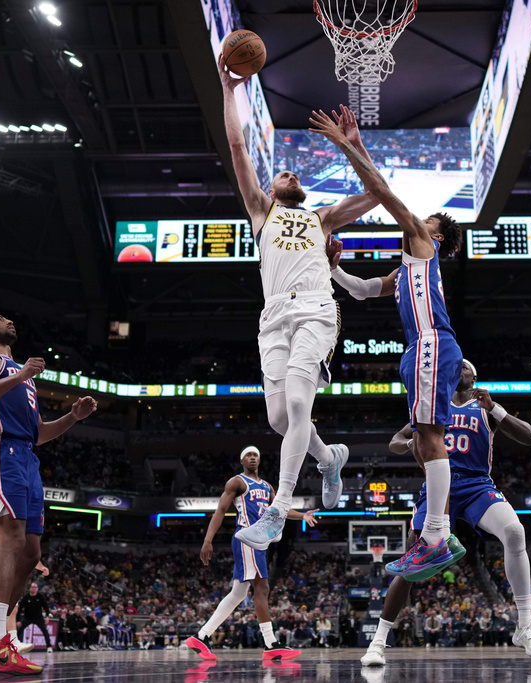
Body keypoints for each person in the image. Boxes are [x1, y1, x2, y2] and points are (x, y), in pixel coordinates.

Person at [218, 55, 380, 551]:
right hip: (273, 317)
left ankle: (279, 508)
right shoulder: (260, 211)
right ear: (270, 189)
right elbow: (238, 143)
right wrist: (229, 89)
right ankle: (329, 459)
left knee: (296, 404)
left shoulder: (321, 218)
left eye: (291, 172)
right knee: (281, 421)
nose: (286, 172)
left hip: (315, 308)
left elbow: (377, 193)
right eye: (280, 172)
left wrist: (353, 146)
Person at [310, 108, 464, 577]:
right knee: (421, 442)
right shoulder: (406, 271)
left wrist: (346, 142)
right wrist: (332, 266)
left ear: (434, 233)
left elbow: (379, 190)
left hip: (432, 343)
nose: (415, 220)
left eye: (425, 219)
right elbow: (360, 290)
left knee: (431, 439)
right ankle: (436, 532)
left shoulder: (423, 243)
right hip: (422, 348)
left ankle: (435, 536)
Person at [359, 361, 531, 666]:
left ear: (475, 376)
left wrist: (496, 408)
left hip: (477, 485)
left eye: (466, 365)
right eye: (455, 364)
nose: (459, 367)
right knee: (412, 555)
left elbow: (529, 437)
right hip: (439, 485)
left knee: (515, 532)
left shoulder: (485, 407)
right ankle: (378, 642)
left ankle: (525, 628)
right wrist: (412, 442)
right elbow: (394, 441)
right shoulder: (432, 405)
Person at [0, 308, 97, 674]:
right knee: (10, 537)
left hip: (27, 455)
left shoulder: (24, 377)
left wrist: (72, 418)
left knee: (30, 549)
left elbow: (38, 434)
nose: (11, 321)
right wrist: (19, 373)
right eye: (1, 318)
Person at [186, 446, 318, 662]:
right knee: (262, 587)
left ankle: (201, 637)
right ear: (242, 461)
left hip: (259, 541)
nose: (253, 457)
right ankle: (271, 644)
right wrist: (207, 540)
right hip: (247, 536)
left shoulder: (267, 486)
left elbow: (281, 510)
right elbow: (220, 510)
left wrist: (303, 515)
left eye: (256, 455)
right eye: (249, 455)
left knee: (238, 594)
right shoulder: (237, 482)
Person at [16, 576, 53, 653]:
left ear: (37, 589)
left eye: (34, 587)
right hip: (27, 618)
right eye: (32, 587)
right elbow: (19, 610)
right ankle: (16, 646)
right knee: (19, 631)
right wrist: (18, 620)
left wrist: (47, 616)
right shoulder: (26, 598)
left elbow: (46, 607)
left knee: (45, 631)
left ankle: (49, 647)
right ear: (30, 588)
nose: (33, 588)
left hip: (38, 618)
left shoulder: (40, 596)